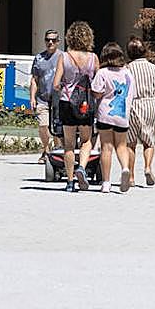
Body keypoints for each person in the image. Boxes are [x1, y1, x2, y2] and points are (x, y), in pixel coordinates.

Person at [53, 20, 98, 192]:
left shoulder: (64, 57)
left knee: (69, 144)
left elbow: (55, 84)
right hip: (86, 104)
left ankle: (70, 182)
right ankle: (82, 167)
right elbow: (97, 83)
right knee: (86, 140)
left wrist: (64, 86)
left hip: (67, 102)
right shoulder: (93, 58)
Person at [91, 41, 136, 194]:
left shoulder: (102, 73)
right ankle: (125, 168)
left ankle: (106, 182)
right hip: (122, 116)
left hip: (105, 114)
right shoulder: (128, 73)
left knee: (106, 147)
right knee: (121, 146)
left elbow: (97, 92)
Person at [125, 38, 155, 186]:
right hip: (149, 104)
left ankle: (131, 177)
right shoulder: (153, 68)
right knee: (149, 142)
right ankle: (148, 167)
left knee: (130, 144)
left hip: (132, 105)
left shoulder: (126, 69)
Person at [29, 29, 62, 160]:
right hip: (43, 98)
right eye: (48, 40)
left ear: (58, 42)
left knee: (57, 127)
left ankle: (57, 150)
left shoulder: (63, 57)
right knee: (43, 125)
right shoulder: (39, 58)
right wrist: (32, 97)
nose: (50, 42)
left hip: (59, 99)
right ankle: (46, 150)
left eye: (53, 40)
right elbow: (34, 79)